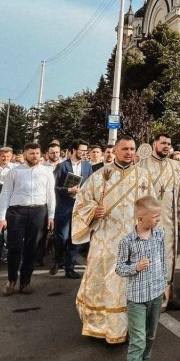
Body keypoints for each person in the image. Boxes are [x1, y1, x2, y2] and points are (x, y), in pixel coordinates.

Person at [72, 136, 151, 343]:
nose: (129, 152)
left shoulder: (143, 176)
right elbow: (82, 203)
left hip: (134, 241)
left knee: (132, 286)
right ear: (114, 151)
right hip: (105, 240)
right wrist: (93, 211)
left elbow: (152, 206)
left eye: (132, 149)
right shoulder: (99, 176)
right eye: (124, 149)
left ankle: (132, 328)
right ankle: (102, 326)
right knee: (104, 283)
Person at [115, 195, 170, 361]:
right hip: (137, 299)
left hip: (155, 293)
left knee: (151, 335)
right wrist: (135, 267)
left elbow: (163, 259)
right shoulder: (127, 241)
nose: (158, 219)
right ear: (140, 218)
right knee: (137, 342)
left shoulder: (159, 234)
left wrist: (165, 284)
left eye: (159, 215)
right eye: (155, 216)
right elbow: (120, 268)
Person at [137, 132, 180, 310]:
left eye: (169, 143)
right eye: (163, 143)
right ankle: (148, 298)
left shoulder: (175, 166)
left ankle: (168, 296)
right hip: (147, 221)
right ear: (154, 144)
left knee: (168, 257)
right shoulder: (142, 165)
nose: (166, 146)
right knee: (147, 258)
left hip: (169, 221)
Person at [0, 142, 56, 295]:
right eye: (31, 153)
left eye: (37, 153)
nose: (35, 156)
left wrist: (51, 215)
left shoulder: (47, 172)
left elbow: (51, 195)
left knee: (32, 248)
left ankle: (25, 282)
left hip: (38, 211)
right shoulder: (14, 172)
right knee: (14, 247)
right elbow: (5, 193)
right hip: (17, 212)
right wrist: (1, 217)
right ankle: (11, 281)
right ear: (24, 154)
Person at [50, 139, 91, 279]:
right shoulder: (62, 166)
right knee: (62, 237)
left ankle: (70, 268)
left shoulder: (88, 167)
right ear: (73, 150)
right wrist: (68, 190)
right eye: (81, 150)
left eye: (85, 151)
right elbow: (52, 188)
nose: (84, 153)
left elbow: (91, 186)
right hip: (64, 206)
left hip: (80, 208)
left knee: (75, 238)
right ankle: (58, 260)